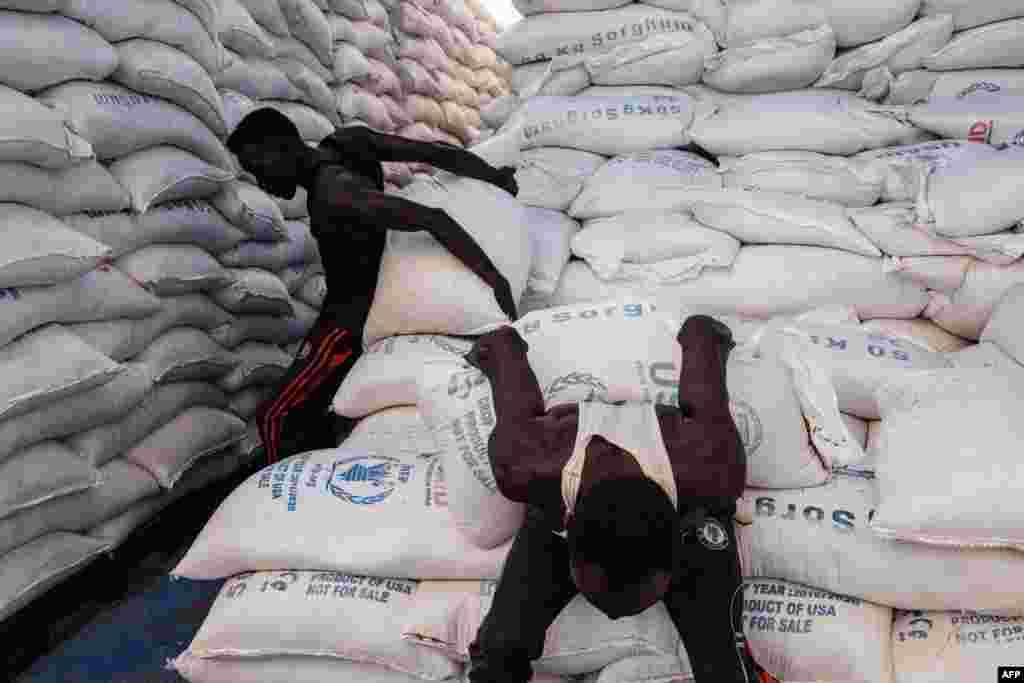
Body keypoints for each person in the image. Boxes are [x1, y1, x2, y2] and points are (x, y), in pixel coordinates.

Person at [462, 315, 770, 683]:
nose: (615, 617)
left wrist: (703, 337)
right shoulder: (525, 466)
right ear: (565, 528)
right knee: (498, 652)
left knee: (727, 671)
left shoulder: (714, 471)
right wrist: (500, 349)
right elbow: (513, 388)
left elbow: (705, 394)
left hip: (680, 485)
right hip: (567, 483)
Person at [226, 108, 520, 465]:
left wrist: (494, 280)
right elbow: (432, 153)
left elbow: (432, 219)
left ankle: (271, 500)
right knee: (317, 412)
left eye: (259, 170)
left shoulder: (334, 193)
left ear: (278, 149)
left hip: (347, 324)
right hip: (354, 309)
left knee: (275, 418)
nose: (262, 184)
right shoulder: (349, 142)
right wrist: (494, 177)